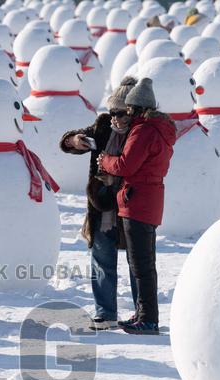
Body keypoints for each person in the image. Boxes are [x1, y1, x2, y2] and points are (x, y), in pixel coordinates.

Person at [96, 78, 175, 335]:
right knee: (143, 263)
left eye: (129, 109)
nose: (126, 114)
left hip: (137, 199)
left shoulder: (143, 130)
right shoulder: (159, 129)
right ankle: (143, 314)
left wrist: (105, 160)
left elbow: (125, 166)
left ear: (138, 108)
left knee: (140, 265)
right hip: (149, 198)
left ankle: (148, 319)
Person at [59, 77, 138, 330]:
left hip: (133, 203)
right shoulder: (103, 126)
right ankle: (105, 313)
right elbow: (67, 141)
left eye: (123, 112)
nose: (116, 117)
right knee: (102, 260)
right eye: (113, 111)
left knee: (138, 264)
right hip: (102, 205)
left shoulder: (143, 130)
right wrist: (75, 140)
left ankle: (143, 313)